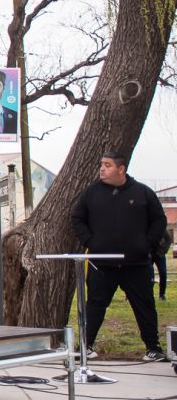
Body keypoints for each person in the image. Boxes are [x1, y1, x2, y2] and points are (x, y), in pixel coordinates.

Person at [71, 151, 168, 362]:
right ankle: (85, 347)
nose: (102, 169)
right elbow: (77, 218)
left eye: (107, 165)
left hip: (136, 263)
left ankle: (153, 348)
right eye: (101, 164)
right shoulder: (91, 193)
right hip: (102, 264)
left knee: (144, 305)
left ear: (121, 169)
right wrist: (91, 242)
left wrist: (146, 244)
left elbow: (159, 220)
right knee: (95, 304)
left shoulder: (142, 192)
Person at [154, 228, 172, 301]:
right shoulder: (146, 227)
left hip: (160, 254)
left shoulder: (161, 228)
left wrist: (164, 250)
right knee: (148, 275)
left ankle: (162, 294)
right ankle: (148, 294)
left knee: (163, 273)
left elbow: (169, 239)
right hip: (149, 254)